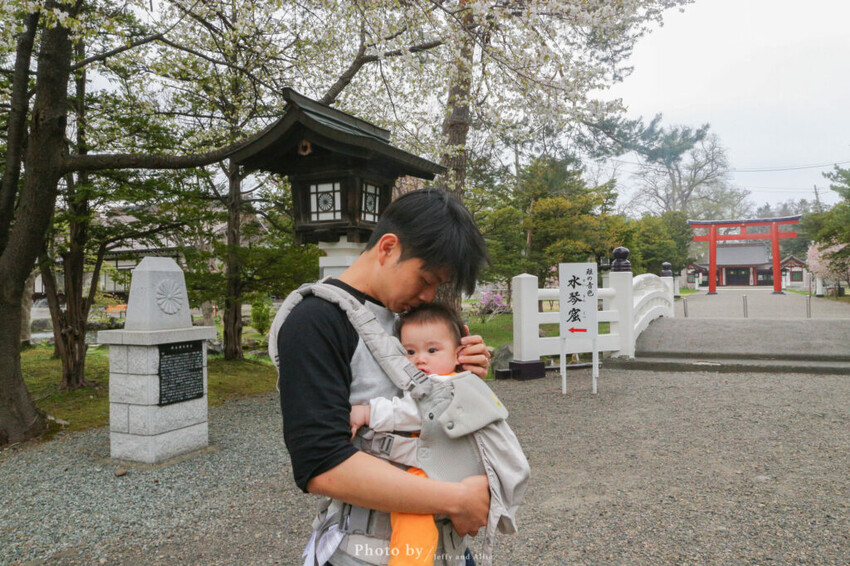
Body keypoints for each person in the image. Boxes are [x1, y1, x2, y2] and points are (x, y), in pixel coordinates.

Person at [273, 189, 492, 566]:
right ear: (388, 248)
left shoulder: (405, 318)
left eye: (438, 286)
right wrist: (458, 500)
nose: (429, 295)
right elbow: (321, 465)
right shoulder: (315, 321)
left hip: (448, 547)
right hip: (369, 552)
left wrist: (460, 379)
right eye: (426, 279)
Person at [349, 302, 526, 566]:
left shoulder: (444, 384)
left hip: (446, 465)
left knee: (411, 503)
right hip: (457, 463)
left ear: (458, 355)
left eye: (432, 350)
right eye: (410, 352)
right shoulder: (460, 380)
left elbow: (412, 412)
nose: (420, 359)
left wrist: (366, 413)